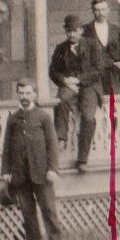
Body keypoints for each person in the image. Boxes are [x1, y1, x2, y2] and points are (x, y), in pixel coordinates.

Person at [1, 78, 65, 240]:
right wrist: (6, 170)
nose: (24, 97)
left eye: (28, 93)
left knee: (49, 211)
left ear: (34, 94)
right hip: (21, 175)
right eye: (21, 93)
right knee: (28, 215)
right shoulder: (13, 119)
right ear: (18, 95)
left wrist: (53, 169)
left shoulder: (43, 116)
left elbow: (52, 145)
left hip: (42, 173)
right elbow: (7, 146)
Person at [71, 0, 120, 173]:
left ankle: (114, 143)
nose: (101, 13)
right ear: (92, 11)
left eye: (103, 9)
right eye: (97, 10)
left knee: (115, 112)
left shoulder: (116, 30)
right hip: (93, 79)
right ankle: (83, 157)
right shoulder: (84, 31)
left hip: (112, 76)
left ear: (109, 10)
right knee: (89, 115)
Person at [47, 13, 82, 148]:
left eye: (75, 31)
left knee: (89, 109)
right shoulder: (61, 48)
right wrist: (65, 81)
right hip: (67, 86)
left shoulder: (89, 46)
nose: (71, 34)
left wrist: (78, 82)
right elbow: (53, 71)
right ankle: (61, 138)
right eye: (69, 31)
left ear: (81, 30)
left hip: (86, 84)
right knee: (61, 100)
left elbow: (95, 70)